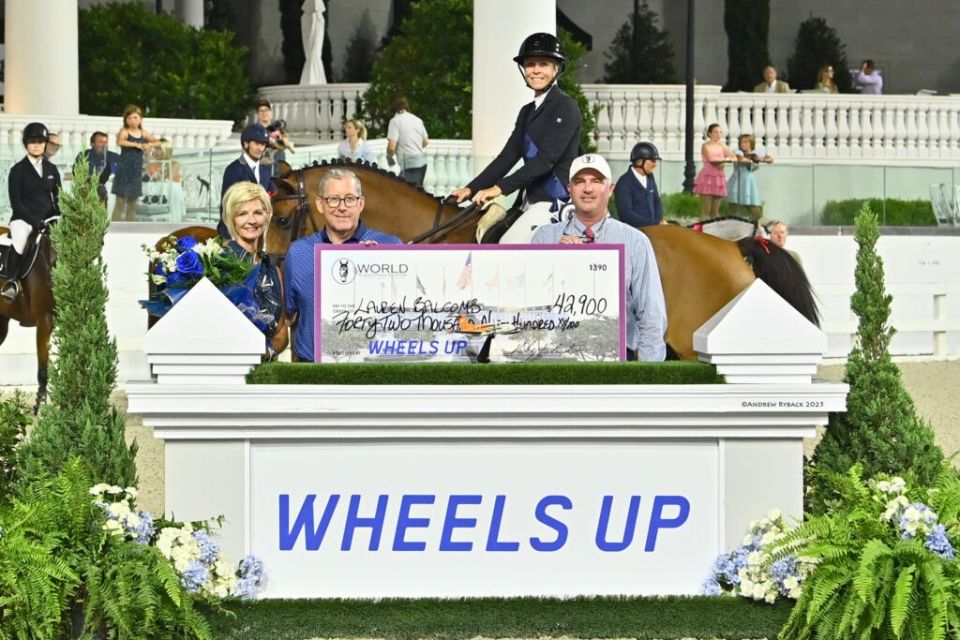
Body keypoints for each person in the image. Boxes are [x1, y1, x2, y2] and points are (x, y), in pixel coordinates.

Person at [531, 153, 667, 362]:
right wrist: (555, 262)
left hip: (617, 358)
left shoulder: (635, 241)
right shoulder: (544, 237)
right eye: (579, 182)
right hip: (556, 355)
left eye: (596, 181)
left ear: (610, 189)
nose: (587, 188)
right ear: (569, 189)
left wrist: (649, 374)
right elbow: (530, 305)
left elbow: (651, 315)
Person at [451, 32, 582, 244]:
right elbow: (506, 158)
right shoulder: (526, 112)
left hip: (556, 201)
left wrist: (499, 188)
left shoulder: (565, 106)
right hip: (528, 202)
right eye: (530, 64)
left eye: (544, 64)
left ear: (556, 68)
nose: (536, 70)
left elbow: (545, 161)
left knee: (508, 244)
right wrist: (471, 188)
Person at [283, 168, 402, 361]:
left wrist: (376, 266)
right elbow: (287, 317)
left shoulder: (390, 247)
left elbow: (405, 311)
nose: (342, 207)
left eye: (349, 199)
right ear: (320, 204)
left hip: (373, 366)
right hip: (313, 369)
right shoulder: (298, 253)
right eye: (333, 199)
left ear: (361, 203)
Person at [220, 181, 284, 357]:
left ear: (267, 216)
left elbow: (280, 332)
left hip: (264, 373)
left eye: (258, 212)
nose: (252, 221)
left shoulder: (273, 271)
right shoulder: (218, 264)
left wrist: (266, 353)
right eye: (242, 214)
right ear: (231, 218)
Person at [2, 123, 62, 302]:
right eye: (32, 141)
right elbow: (16, 203)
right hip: (23, 219)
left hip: (48, 218)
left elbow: (58, 197)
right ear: (26, 144)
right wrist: (35, 221)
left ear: (45, 144)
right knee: (20, 239)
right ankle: (11, 282)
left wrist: (58, 215)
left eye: (40, 141)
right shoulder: (18, 170)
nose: (36, 145)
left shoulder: (52, 170)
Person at [218, 124, 273, 238]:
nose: (261, 148)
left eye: (263, 144)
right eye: (257, 143)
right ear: (245, 143)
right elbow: (226, 206)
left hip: (260, 231)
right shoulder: (233, 169)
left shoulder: (266, 169)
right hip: (236, 233)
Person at [112, 104, 160, 222]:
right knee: (120, 202)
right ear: (126, 120)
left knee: (133, 204)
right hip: (124, 170)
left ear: (140, 119)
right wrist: (137, 145)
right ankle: (114, 229)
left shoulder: (143, 133)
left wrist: (149, 144)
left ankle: (129, 229)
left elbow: (158, 142)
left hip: (136, 171)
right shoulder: (124, 131)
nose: (132, 121)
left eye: (135, 118)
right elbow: (120, 142)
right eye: (129, 118)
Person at [614, 141, 667, 227]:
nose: (655, 165)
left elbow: (656, 202)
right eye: (652, 160)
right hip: (633, 232)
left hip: (653, 230)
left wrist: (658, 223)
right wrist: (654, 223)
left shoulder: (650, 178)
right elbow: (626, 214)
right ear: (640, 161)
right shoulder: (624, 183)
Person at [693, 123, 736, 218]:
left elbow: (733, 157)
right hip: (708, 177)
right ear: (710, 133)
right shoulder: (706, 146)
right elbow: (712, 160)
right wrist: (725, 160)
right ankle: (701, 229)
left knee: (715, 211)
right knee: (705, 210)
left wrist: (728, 160)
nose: (718, 134)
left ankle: (713, 230)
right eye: (716, 132)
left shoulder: (722, 146)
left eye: (720, 132)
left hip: (719, 178)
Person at [727, 134, 773, 221]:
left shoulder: (756, 153)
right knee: (733, 205)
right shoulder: (737, 152)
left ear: (751, 143)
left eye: (745, 142)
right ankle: (730, 224)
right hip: (737, 180)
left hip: (749, 181)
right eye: (741, 142)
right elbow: (740, 159)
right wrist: (751, 159)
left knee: (753, 204)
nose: (742, 144)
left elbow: (770, 159)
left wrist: (761, 159)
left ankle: (757, 225)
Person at [386, 96, 429, 186]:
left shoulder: (395, 121)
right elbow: (425, 141)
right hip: (422, 162)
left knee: (406, 194)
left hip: (409, 164)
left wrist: (389, 158)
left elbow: (391, 147)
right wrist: (414, 146)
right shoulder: (417, 120)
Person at [73, 131, 121, 205]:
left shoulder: (113, 156)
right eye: (101, 142)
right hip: (86, 193)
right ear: (92, 144)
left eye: (106, 142)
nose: (104, 145)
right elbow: (78, 174)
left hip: (105, 193)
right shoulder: (84, 155)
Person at [255, 99, 294, 174]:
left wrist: (283, 140)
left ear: (271, 114)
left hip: (279, 172)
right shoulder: (254, 131)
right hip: (262, 171)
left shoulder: (277, 130)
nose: (264, 113)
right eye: (261, 110)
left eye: (266, 110)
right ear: (257, 115)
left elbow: (288, 146)